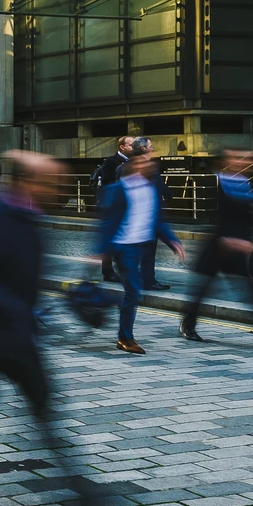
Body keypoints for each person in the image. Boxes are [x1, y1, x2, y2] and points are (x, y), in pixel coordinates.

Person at [0, 152, 104, 506]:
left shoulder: (28, 216)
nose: (58, 190)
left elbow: (21, 273)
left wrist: (70, 296)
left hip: (17, 335)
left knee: (42, 404)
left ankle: (78, 485)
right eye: (51, 183)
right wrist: (18, 309)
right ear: (28, 183)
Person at [181, 146, 253, 350]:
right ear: (225, 162)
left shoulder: (244, 183)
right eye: (238, 158)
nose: (245, 161)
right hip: (218, 247)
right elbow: (220, 217)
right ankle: (189, 323)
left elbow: (244, 213)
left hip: (238, 248)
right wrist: (231, 239)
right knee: (202, 291)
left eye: (246, 158)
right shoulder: (218, 182)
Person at [91, 139, 185, 355]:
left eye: (148, 163)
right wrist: (101, 250)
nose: (148, 165)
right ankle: (125, 338)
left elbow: (157, 220)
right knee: (133, 290)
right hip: (123, 247)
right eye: (142, 163)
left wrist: (173, 241)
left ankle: (115, 305)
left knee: (132, 291)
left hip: (139, 245)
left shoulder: (150, 190)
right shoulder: (117, 190)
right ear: (132, 166)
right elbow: (106, 222)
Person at [90, 137, 135, 281]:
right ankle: (108, 271)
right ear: (122, 147)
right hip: (113, 206)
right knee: (111, 238)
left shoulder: (131, 162)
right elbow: (108, 182)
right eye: (131, 144)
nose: (133, 147)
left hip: (126, 206)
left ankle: (123, 268)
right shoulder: (112, 161)